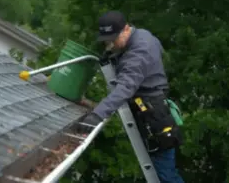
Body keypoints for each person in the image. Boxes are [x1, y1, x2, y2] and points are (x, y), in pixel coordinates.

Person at [78, 10, 184, 183]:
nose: (110, 44)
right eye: (108, 41)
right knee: (165, 173)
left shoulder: (138, 53)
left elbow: (125, 88)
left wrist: (98, 115)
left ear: (126, 29)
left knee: (165, 175)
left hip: (154, 117)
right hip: (152, 107)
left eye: (114, 40)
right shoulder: (142, 35)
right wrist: (115, 55)